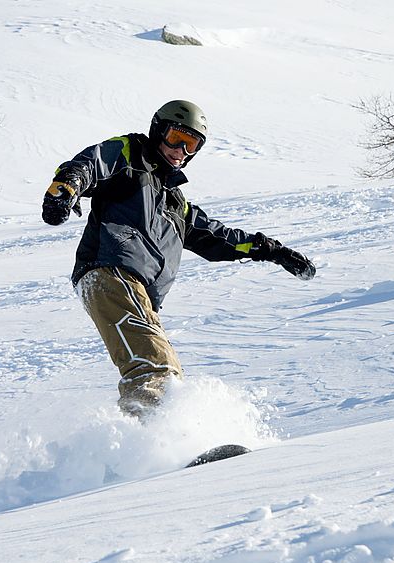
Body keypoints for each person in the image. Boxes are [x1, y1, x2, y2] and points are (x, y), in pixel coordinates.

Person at [41, 100, 315, 418]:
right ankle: (159, 437)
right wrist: (66, 188)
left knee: (167, 375)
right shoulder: (131, 154)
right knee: (155, 367)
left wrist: (271, 250)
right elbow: (89, 164)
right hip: (110, 272)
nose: (181, 151)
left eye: (192, 145)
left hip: (136, 290)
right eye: (176, 138)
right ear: (158, 130)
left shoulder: (176, 203)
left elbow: (219, 238)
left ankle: (138, 448)